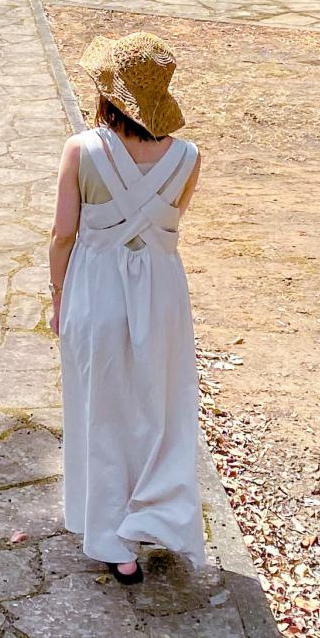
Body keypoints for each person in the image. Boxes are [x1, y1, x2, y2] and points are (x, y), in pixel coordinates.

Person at [50, 32, 204, 585]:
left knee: (101, 409)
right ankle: (158, 517)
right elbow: (169, 222)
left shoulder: (81, 149)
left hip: (96, 287)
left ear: (108, 93)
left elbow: (63, 235)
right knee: (161, 409)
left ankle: (113, 539)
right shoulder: (188, 157)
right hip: (162, 294)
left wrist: (58, 295)